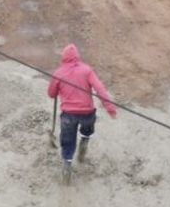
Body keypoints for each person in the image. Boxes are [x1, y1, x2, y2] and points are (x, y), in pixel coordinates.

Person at [46, 44, 118, 184]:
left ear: (63, 58)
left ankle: (67, 165)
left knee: (68, 141)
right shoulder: (87, 70)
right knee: (87, 129)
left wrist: (58, 88)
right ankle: (84, 142)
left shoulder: (58, 73)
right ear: (77, 57)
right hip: (87, 112)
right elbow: (100, 89)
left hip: (68, 115)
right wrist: (111, 109)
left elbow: (51, 94)